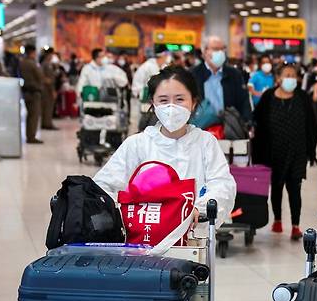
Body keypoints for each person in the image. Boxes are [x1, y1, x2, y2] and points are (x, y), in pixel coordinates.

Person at [93, 66, 236, 226]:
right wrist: (122, 211)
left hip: (194, 237)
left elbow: (222, 185)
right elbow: (103, 185)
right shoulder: (137, 144)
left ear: (194, 103)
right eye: (163, 100)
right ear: (153, 104)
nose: (171, 107)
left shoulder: (205, 142)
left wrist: (199, 209)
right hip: (143, 239)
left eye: (180, 99)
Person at [252, 64, 317, 240]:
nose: (291, 78)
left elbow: (312, 123)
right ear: (279, 78)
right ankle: (278, 220)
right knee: (276, 187)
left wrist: (310, 149)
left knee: (295, 188)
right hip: (273, 151)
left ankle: (296, 226)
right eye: (287, 75)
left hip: (297, 151)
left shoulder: (302, 97)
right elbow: (257, 121)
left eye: (293, 76)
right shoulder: (268, 97)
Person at [191, 35, 252, 123]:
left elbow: (244, 101)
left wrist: (247, 121)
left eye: (222, 49)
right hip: (201, 127)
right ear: (204, 52)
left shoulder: (234, 74)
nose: (220, 52)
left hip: (229, 127)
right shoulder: (193, 74)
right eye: (215, 49)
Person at [18, 44, 44, 144]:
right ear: (32, 52)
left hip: (26, 91)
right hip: (34, 92)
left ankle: (29, 135)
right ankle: (31, 137)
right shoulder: (32, 63)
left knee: (30, 115)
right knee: (34, 115)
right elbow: (40, 76)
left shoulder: (22, 63)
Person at [39, 49, 58, 130]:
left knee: (49, 106)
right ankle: (47, 123)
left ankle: (47, 122)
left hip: (49, 87)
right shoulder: (45, 64)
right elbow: (43, 76)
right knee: (48, 106)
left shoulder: (50, 64)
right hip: (46, 89)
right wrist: (48, 82)